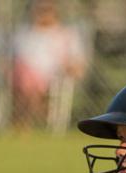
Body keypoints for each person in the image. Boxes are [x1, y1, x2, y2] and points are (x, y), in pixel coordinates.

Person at [12, 0, 86, 130]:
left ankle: (25, 121)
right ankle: (30, 119)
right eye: (40, 10)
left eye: (47, 10)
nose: (43, 14)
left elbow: (77, 63)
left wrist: (70, 69)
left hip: (54, 75)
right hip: (23, 74)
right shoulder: (25, 33)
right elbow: (13, 57)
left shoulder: (66, 34)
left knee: (28, 81)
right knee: (23, 75)